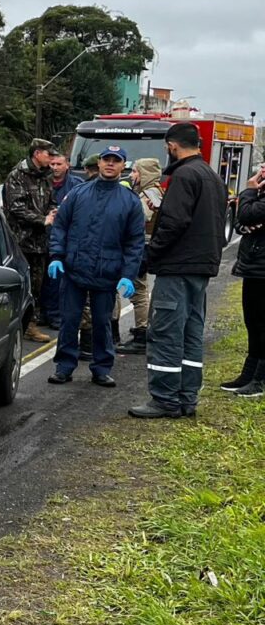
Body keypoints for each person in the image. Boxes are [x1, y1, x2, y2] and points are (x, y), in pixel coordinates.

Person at [129, 123, 228, 418]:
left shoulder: (184, 175)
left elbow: (173, 223)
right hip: (201, 268)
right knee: (191, 334)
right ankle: (186, 398)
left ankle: (164, 398)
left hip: (178, 266)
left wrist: (150, 254)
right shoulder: (212, 176)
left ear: (172, 146)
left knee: (166, 333)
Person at [46, 146, 145, 388]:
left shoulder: (129, 202)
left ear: (123, 166)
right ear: (99, 163)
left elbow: (135, 242)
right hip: (74, 270)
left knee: (102, 323)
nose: (110, 164)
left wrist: (128, 275)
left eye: (116, 161)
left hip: (106, 274)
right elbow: (61, 226)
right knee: (70, 320)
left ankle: (101, 368)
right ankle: (64, 366)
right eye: (106, 160)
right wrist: (57, 255)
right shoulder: (79, 193)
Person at [2, 137, 56, 342]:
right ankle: (14, 324)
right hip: (21, 241)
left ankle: (30, 325)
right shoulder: (17, 175)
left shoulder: (45, 176)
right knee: (18, 284)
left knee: (37, 285)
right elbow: (15, 208)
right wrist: (42, 220)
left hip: (40, 242)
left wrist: (52, 212)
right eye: (48, 154)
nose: (50, 158)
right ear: (37, 154)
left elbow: (51, 200)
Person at [222, 162, 265, 396]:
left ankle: (260, 379)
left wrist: (248, 191)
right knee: (253, 322)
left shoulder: (254, 193)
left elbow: (247, 214)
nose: (261, 171)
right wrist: (248, 221)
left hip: (261, 266)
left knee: (262, 324)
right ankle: (250, 372)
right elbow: (240, 223)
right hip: (253, 265)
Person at [116, 157, 164, 354]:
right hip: (143, 248)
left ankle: (141, 334)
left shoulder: (148, 196)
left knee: (138, 291)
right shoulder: (153, 192)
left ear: (145, 174)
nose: (132, 175)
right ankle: (140, 329)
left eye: (136, 171)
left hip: (141, 249)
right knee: (139, 290)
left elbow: (137, 219)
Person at [40, 148, 83, 328]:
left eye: (59, 164)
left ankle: (56, 315)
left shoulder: (77, 185)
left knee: (58, 279)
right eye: (52, 164)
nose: (55, 167)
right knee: (41, 279)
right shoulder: (42, 182)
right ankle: (41, 313)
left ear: (67, 165)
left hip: (66, 238)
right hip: (42, 237)